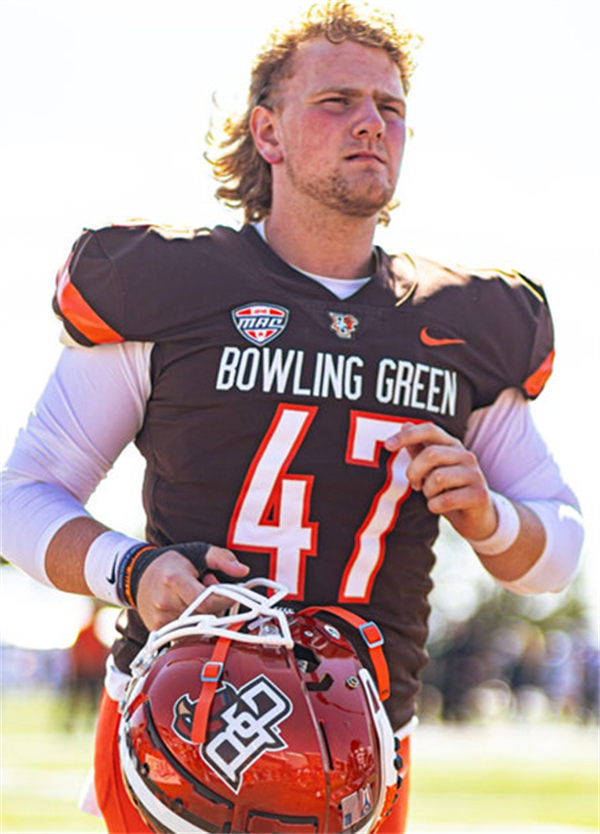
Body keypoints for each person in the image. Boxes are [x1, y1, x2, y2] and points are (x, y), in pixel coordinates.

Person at [0, 2, 584, 832]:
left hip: (363, 747)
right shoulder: (174, 288)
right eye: (338, 101)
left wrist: (490, 521)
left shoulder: (465, 323)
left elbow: (554, 551)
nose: (372, 125)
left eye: (390, 107)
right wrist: (130, 571)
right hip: (177, 729)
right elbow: (22, 492)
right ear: (267, 133)